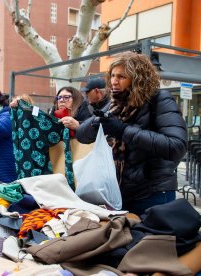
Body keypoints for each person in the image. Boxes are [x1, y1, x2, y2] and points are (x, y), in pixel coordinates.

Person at [76, 52, 187, 215]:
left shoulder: (159, 99)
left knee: (151, 241)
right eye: (113, 75)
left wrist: (123, 130)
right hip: (120, 193)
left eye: (121, 76)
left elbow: (176, 146)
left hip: (153, 194)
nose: (114, 81)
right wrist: (97, 122)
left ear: (138, 78)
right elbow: (82, 136)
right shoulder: (115, 103)